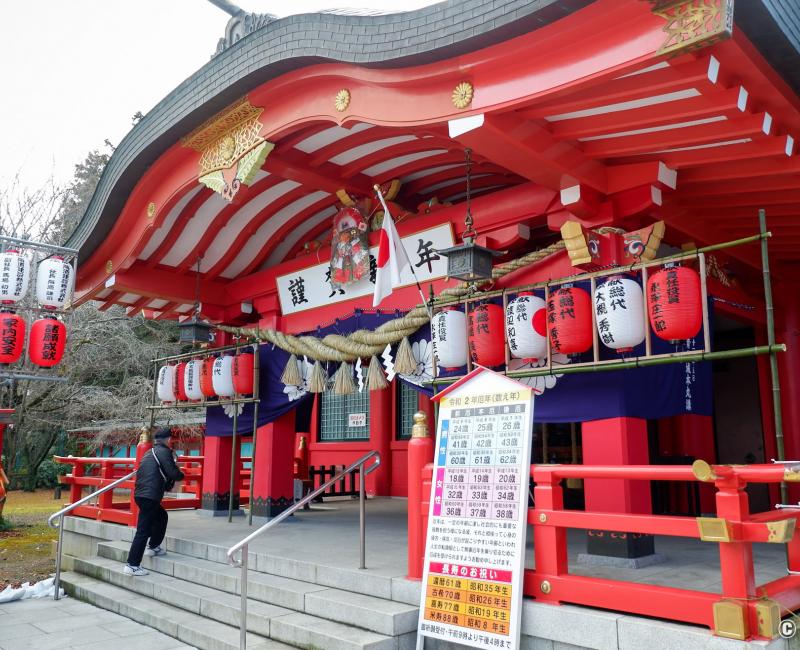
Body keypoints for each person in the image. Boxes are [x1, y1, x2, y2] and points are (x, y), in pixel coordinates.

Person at [124, 427, 184, 576]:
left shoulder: (149, 452)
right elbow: (172, 472)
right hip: (150, 496)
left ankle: (154, 546)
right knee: (143, 530)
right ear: (169, 440)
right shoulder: (164, 452)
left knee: (161, 516)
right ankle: (132, 564)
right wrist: (181, 474)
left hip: (141, 494)